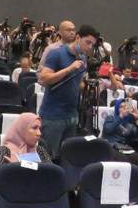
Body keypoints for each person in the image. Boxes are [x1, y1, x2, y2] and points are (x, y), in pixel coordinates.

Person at [38, 24, 99, 156]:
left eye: (92, 44)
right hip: (53, 116)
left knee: (67, 156)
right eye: (87, 42)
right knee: (48, 157)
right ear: (78, 37)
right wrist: (69, 69)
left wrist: (88, 86)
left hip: (72, 115)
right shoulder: (56, 53)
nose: (90, 47)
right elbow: (44, 78)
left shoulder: (83, 58)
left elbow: (78, 83)